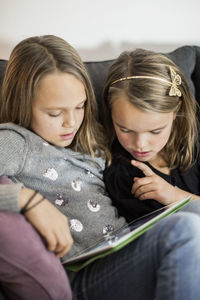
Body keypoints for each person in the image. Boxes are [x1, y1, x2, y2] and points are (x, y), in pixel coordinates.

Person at [0, 37, 200, 300]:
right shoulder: (16, 141)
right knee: (183, 230)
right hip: (82, 271)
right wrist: (26, 200)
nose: (71, 122)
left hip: (122, 252)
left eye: (80, 106)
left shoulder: (91, 140)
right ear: (22, 102)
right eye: (54, 113)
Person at [103, 48, 200, 223]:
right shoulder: (121, 175)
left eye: (155, 131)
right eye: (125, 130)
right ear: (110, 113)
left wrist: (174, 195)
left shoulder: (195, 144)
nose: (140, 144)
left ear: (176, 110)